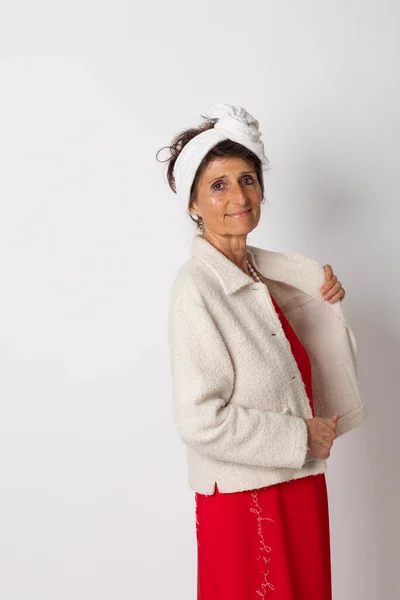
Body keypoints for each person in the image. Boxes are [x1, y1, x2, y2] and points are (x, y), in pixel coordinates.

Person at [158, 104, 366, 599]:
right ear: (193, 204)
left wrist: (319, 291)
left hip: (297, 483)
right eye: (218, 185)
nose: (238, 196)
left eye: (247, 178)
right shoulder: (197, 288)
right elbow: (199, 420)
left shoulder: (262, 275)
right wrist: (300, 437)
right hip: (246, 498)